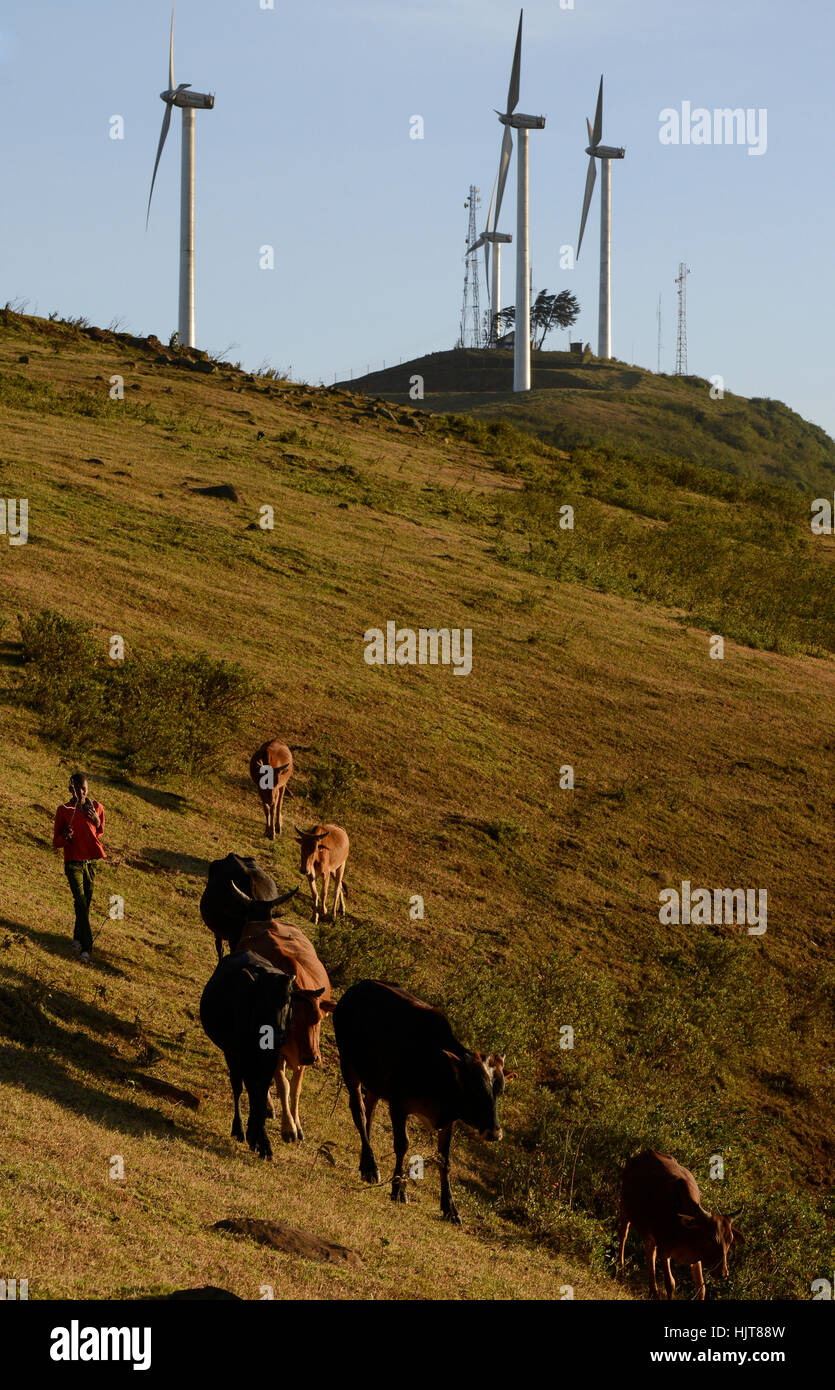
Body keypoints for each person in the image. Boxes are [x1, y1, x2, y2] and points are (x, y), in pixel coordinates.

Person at [52, 772, 106, 964]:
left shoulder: (97, 807)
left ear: (87, 788)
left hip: (90, 864)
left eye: (83, 788)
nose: (81, 792)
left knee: (83, 905)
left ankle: (76, 939)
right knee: (81, 902)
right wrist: (65, 837)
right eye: (76, 788)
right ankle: (87, 948)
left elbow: (99, 832)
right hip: (73, 863)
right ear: (70, 789)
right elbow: (56, 842)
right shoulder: (63, 810)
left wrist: (97, 821)